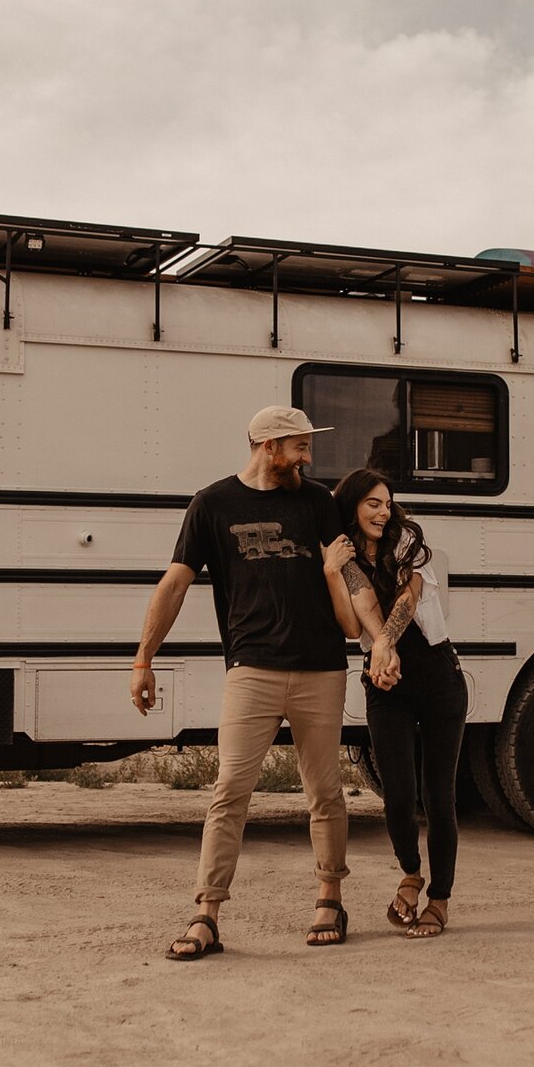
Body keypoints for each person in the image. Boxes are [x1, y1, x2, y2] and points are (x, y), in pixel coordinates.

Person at [134, 408, 397, 960]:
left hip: (321, 667)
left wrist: (378, 639)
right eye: (298, 447)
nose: (307, 458)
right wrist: (143, 659)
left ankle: (330, 898)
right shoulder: (212, 505)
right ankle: (206, 914)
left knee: (324, 792)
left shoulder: (318, 504)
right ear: (267, 446)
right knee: (230, 792)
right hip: (251, 668)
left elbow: (350, 576)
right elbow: (176, 583)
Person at [329, 469, 465, 938]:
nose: (384, 512)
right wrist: (331, 570)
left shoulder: (407, 540)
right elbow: (351, 624)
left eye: (387, 503)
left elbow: (409, 597)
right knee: (398, 795)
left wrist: (384, 644)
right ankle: (410, 873)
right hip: (385, 685)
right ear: (352, 506)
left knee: (438, 796)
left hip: (437, 678)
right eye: (373, 503)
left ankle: (440, 900)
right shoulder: (343, 555)